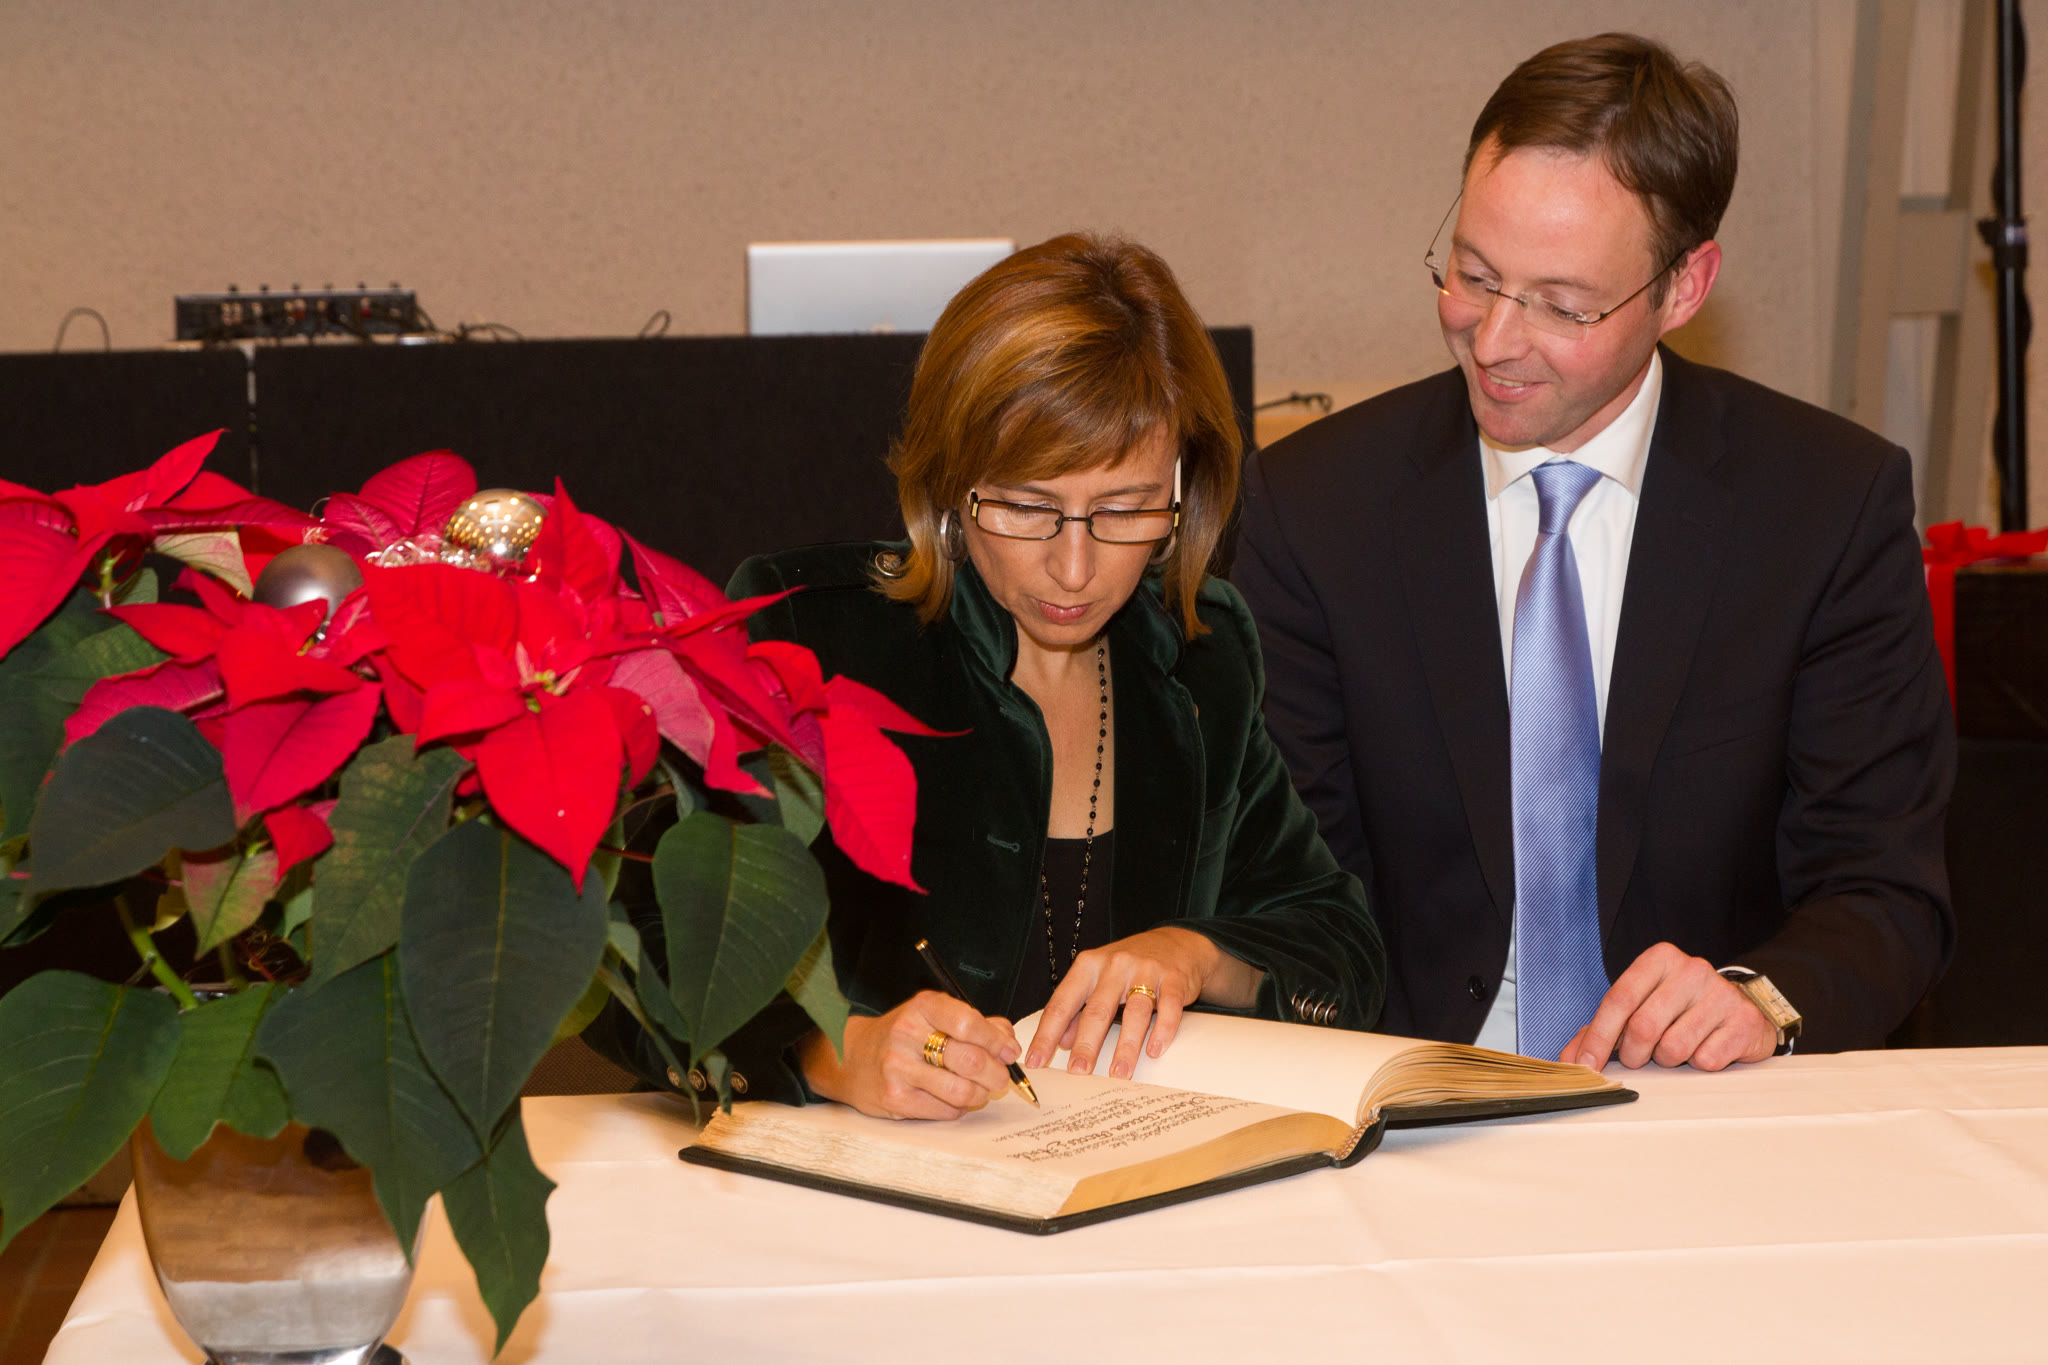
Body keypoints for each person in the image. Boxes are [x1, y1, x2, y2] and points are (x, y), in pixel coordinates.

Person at [1232, 33, 1954, 1072]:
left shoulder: (1823, 507)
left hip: (1705, 1100)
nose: (1493, 339)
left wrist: (1757, 999)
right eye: (1473, 276)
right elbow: (1291, 891)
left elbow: (1885, 889)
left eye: (1563, 305)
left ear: (1683, 287)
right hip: (1409, 1092)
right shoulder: (1315, 507)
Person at [605, 233, 1385, 1118]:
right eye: (1026, 506)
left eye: (1125, 509)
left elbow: (1341, 946)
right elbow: (637, 949)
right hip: (846, 1182)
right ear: (951, 483)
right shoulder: (813, 635)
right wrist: (834, 1051)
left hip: (1117, 1175)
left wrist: (1195, 953)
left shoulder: (1201, 658)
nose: (1075, 569)